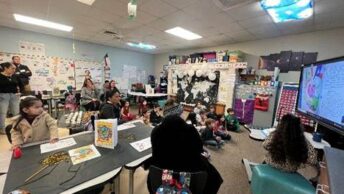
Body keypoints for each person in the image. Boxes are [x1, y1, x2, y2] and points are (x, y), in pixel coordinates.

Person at [147, 115, 223, 194]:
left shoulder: (156, 131)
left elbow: (155, 151)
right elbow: (199, 148)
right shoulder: (191, 130)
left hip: (160, 175)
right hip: (192, 176)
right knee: (213, 176)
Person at [0, 62, 21, 134]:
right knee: (2, 113)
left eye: (15, 68)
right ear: (5, 68)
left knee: (16, 112)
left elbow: (20, 85)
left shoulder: (15, 76)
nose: (14, 70)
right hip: (3, 96)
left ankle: (17, 127)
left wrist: (20, 92)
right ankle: (2, 129)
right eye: (12, 68)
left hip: (14, 95)